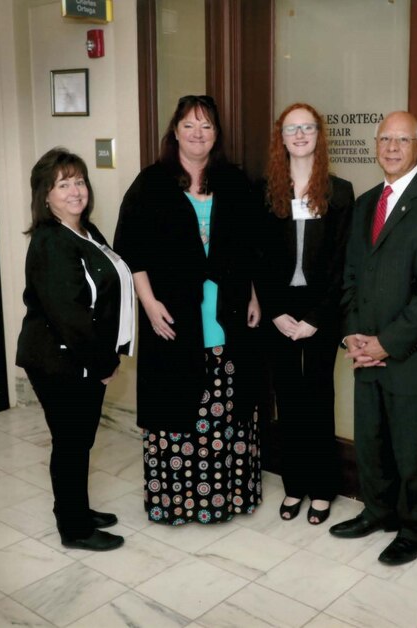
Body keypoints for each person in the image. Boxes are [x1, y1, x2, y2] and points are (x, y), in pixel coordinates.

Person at [114, 95, 262, 525]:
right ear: (174, 131)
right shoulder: (151, 183)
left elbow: (250, 249)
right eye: (189, 125)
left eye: (207, 127)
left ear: (217, 135)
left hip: (229, 311)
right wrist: (149, 303)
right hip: (173, 314)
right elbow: (130, 253)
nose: (198, 134)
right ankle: (177, 502)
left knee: (227, 406)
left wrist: (253, 295)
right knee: (178, 406)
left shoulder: (233, 181)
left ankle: (229, 498)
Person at [329, 111, 417, 565]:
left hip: (412, 356)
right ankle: (377, 511)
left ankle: (415, 528)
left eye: (402, 139)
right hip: (364, 352)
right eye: (384, 138)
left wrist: (385, 343)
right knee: (371, 441)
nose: (391, 147)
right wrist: (352, 336)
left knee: (413, 451)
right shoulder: (366, 201)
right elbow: (348, 274)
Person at [16, 148, 134, 552]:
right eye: (62, 184)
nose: (74, 191)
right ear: (45, 196)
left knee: (79, 440)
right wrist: (103, 362)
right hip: (59, 360)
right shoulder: (51, 241)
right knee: (70, 442)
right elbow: (70, 315)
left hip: (81, 357)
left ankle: (76, 509)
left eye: (79, 181)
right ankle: (74, 528)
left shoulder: (87, 231)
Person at [260, 103, 354, 525]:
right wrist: (276, 311)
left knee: (318, 396)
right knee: (288, 398)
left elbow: (340, 262)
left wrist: (317, 316)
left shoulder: (340, 191)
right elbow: (256, 255)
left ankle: (322, 487)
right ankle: (294, 484)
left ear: (319, 134)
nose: (300, 135)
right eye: (291, 128)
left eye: (308, 127)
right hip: (279, 309)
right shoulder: (264, 191)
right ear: (280, 137)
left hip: (321, 309)